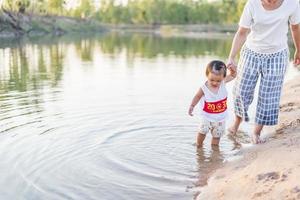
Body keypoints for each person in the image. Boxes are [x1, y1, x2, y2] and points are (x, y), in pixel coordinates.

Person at [227, 0, 300, 144]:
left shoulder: (293, 3)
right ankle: (236, 123)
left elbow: (295, 28)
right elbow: (242, 32)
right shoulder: (252, 4)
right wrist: (231, 57)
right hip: (251, 52)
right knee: (241, 91)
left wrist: (298, 50)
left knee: (268, 96)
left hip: (277, 54)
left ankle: (256, 132)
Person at [188, 60, 236, 147]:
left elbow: (233, 75)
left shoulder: (223, 82)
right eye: (212, 80)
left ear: (223, 77)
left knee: (217, 135)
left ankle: (214, 151)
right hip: (207, 116)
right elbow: (197, 96)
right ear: (207, 75)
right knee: (202, 131)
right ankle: (199, 145)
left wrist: (232, 70)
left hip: (220, 117)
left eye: (218, 81)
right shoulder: (204, 88)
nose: (215, 83)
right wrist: (192, 106)